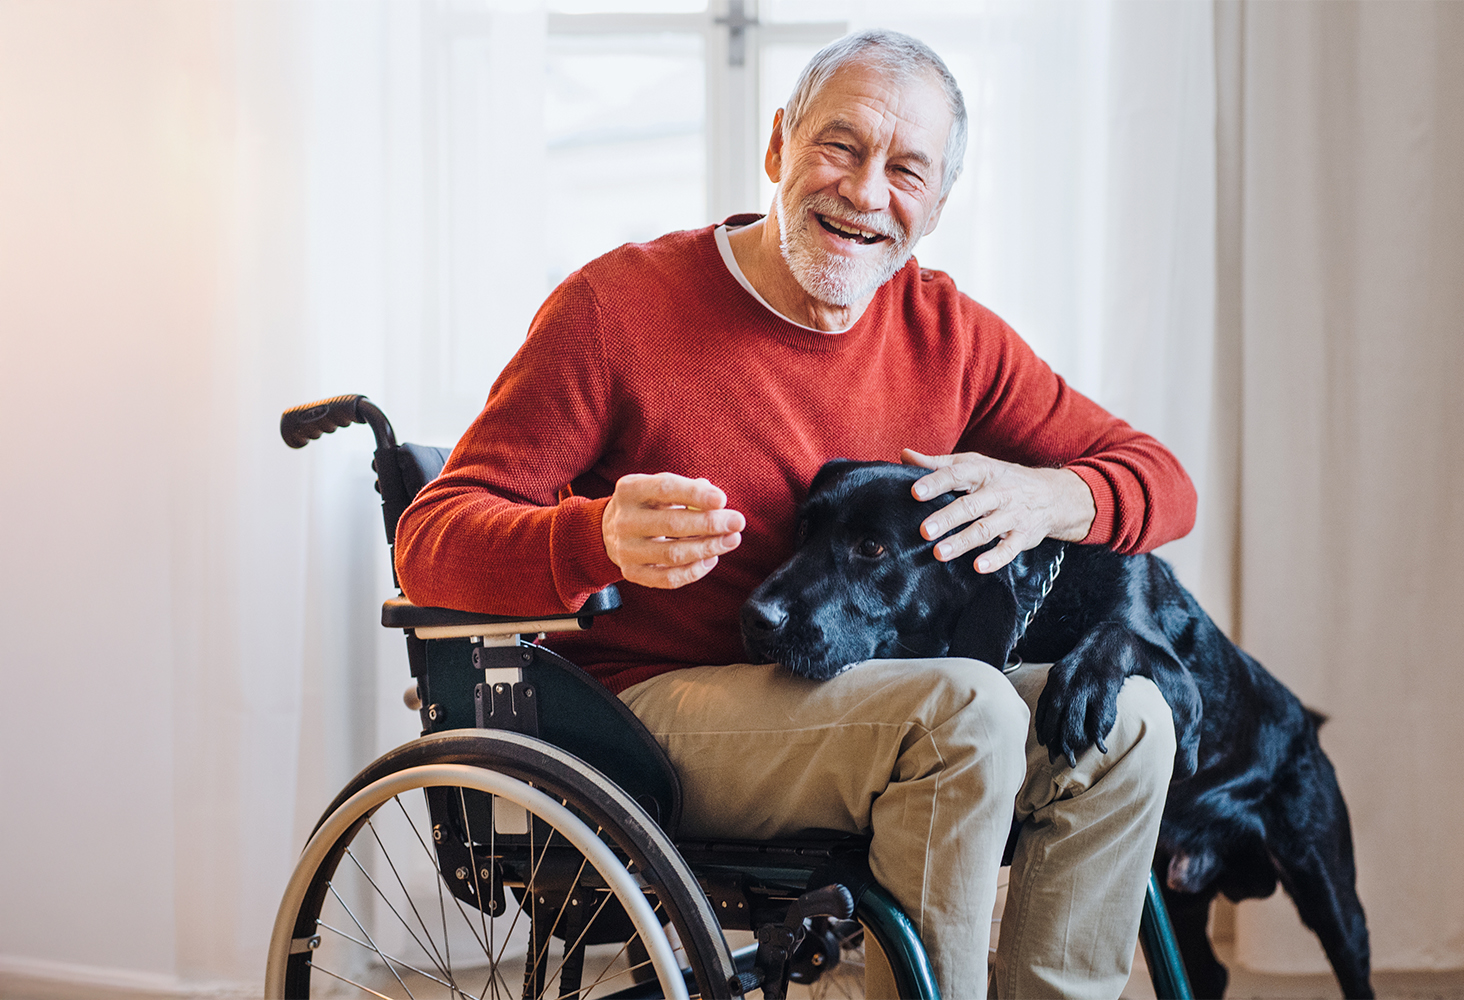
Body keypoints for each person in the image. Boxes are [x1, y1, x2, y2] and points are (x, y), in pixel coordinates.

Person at [397, 28, 1194, 1000]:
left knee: (1133, 718)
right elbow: (430, 541)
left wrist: (1050, 493)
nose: (864, 191)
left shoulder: (948, 333)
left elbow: (1162, 483)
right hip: (648, 716)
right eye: (839, 145)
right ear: (777, 146)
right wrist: (592, 535)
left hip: (861, 702)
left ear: (936, 204)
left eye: (906, 168)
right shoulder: (616, 309)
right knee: (968, 707)